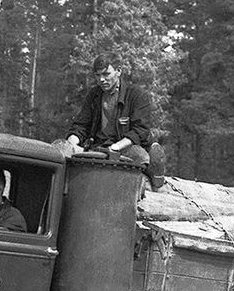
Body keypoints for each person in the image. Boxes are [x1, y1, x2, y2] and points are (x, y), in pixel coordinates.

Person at [65, 53, 166, 190]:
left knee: (140, 156)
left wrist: (115, 147)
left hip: (125, 148)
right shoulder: (94, 95)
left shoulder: (137, 95)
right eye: (97, 75)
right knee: (63, 149)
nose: (101, 79)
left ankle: (153, 174)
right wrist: (71, 142)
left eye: (106, 74)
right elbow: (81, 125)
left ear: (118, 71)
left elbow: (140, 130)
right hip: (98, 148)